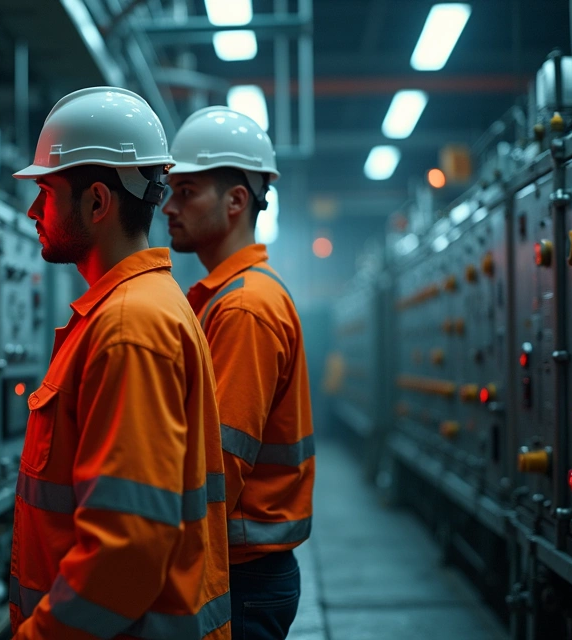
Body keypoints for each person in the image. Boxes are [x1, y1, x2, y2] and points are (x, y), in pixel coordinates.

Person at [8, 87, 231, 640]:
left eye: (46, 192)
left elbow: (125, 552)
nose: (34, 210)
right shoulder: (133, 311)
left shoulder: (130, 327)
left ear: (98, 202)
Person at [162, 107, 315, 640]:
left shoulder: (244, 307)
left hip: (241, 571)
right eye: (170, 191)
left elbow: (219, 461)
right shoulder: (223, 297)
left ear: (235, 201)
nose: (169, 207)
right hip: (242, 563)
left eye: (186, 192)